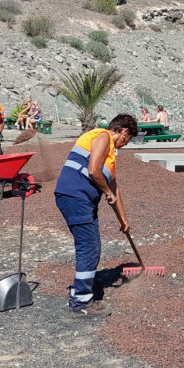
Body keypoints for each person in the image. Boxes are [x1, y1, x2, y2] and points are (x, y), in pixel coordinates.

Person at [54, 113, 138, 316]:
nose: (125, 145)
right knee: (88, 247)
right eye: (128, 140)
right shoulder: (102, 137)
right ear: (124, 132)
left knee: (93, 246)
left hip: (83, 200)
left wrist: (123, 220)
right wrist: (107, 193)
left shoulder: (110, 157)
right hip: (75, 196)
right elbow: (93, 170)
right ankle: (81, 303)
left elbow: (114, 190)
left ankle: (79, 290)